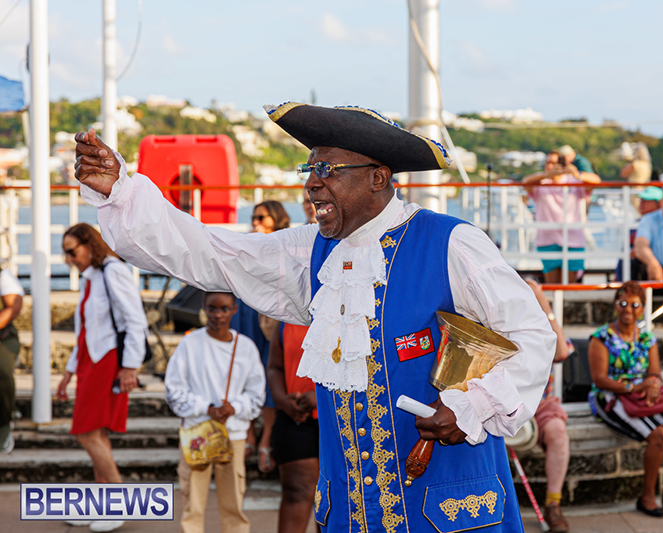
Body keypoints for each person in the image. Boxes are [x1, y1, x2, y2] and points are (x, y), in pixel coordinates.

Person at [73, 102, 557, 533]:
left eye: (328, 169)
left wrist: (473, 405)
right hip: (350, 512)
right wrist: (122, 193)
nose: (311, 183)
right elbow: (212, 252)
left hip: (446, 509)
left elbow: (533, 335)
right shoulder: (312, 251)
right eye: (310, 167)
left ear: (378, 178)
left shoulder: (451, 242)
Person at [56, 223, 149, 533]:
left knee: (87, 433)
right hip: (89, 361)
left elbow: (135, 321)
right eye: (66, 253)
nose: (69, 259)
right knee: (96, 434)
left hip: (106, 361)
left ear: (89, 245)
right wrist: (69, 372)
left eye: (72, 251)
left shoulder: (112, 271)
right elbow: (84, 331)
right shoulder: (92, 277)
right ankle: (101, 504)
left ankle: (119, 502)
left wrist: (130, 367)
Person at [165, 291, 266, 533]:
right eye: (212, 309)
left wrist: (235, 407)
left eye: (223, 309)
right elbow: (173, 390)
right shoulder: (190, 343)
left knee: (234, 502)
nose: (217, 315)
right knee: (193, 501)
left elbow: (257, 393)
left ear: (234, 310)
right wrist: (206, 408)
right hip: (196, 432)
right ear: (203, 308)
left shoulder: (246, 347)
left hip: (233, 434)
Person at [588, 281, 663, 518]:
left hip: (641, 394)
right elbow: (600, 379)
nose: (628, 310)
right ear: (615, 306)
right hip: (610, 396)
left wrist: (652, 386)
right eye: (623, 304)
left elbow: (654, 373)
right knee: (659, 435)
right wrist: (634, 386)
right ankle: (647, 496)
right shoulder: (601, 337)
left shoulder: (647, 339)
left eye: (634, 305)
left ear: (642, 308)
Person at [231, 199, 290, 473]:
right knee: (243, 368)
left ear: (276, 219)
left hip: (270, 315)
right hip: (245, 311)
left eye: (262, 217)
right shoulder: (248, 242)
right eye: (254, 217)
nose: (256, 222)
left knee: (269, 371)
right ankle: (249, 434)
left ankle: (265, 437)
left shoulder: (286, 243)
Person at [525, 279, 571, 533]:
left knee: (558, 433)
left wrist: (543, 302)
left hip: (541, 404)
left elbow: (562, 352)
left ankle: (553, 503)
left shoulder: (544, 325)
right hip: (505, 401)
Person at [267, 320, 319, 533]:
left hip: (337, 422)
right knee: (296, 492)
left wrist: (320, 397)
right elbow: (275, 367)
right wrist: (282, 400)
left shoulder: (349, 316)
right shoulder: (285, 322)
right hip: (295, 418)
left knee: (334, 498)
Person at [522, 151, 601, 283]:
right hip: (547, 239)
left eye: (554, 163)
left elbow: (596, 181)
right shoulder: (541, 183)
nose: (550, 166)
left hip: (573, 239)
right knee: (552, 286)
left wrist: (577, 173)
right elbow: (525, 182)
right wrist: (546, 175)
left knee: (570, 286)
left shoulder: (574, 181)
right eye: (547, 162)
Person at [615, 186, 663, 281]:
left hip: (643, 273)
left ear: (659, 204)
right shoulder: (634, 225)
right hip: (628, 274)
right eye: (641, 200)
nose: (641, 204)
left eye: (646, 201)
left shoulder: (661, 225)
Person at [0, 267, 24, 454]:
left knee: (2, 370)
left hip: (3, 337)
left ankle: (4, 423)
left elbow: (14, 308)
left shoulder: (3, 276)